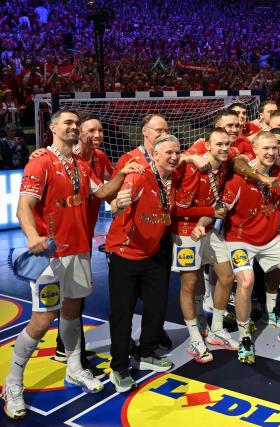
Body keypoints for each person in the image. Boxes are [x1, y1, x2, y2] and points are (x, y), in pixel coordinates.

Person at [2, 108, 144, 419]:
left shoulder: (81, 164)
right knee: (43, 319)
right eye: (67, 122)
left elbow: (103, 192)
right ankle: (13, 383)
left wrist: (123, 173)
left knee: (72, 309)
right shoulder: (40, 163)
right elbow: (24, 207)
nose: (73, 127)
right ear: (52, 128)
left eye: (75, 124)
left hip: (79, 250)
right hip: (50, 255)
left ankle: (75, 367)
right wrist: (30, 236)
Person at [215, 131, 280, 364]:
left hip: (271, 237)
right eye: (265, 148)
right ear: (254, 150)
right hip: (240, 238)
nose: (271, 152)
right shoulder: (239, 178)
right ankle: (245, 335)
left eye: (274, 148)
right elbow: (220, 210)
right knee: (246, 281)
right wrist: (202, 225)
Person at [106, 134, 181, 392]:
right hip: (125, 254)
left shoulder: (173, 179)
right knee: (122, 312)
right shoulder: (139, 176)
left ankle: (145, 353)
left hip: (154, 253)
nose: (173, 157)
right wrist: (117, 203)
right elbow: (118, 203)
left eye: (177, 152)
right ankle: (119, 367)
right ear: (155, 155)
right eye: (168, 153)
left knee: (157, 306)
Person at [53, 113, 114, 378]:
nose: (97, 136)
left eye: (100, 131)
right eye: (91, 131)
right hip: (64, 237)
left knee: (76, 297)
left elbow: (109, 186)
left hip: (85, 234)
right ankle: (65, 349)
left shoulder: (99, 159)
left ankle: (69, 347)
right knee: (66, 297)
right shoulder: (66, 159)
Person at [172, 128, 239, 364]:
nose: (223, 148)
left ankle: (217, 328)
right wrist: (209, 212)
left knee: (227, 276)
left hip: (209, 228)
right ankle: (194, 338)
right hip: (185, 231)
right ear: (207, 146)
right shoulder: (193, 168)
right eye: (218, 144)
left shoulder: (225, 166)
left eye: (226, 144)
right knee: (189, 284)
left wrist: (207, 218)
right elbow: (178, 209)